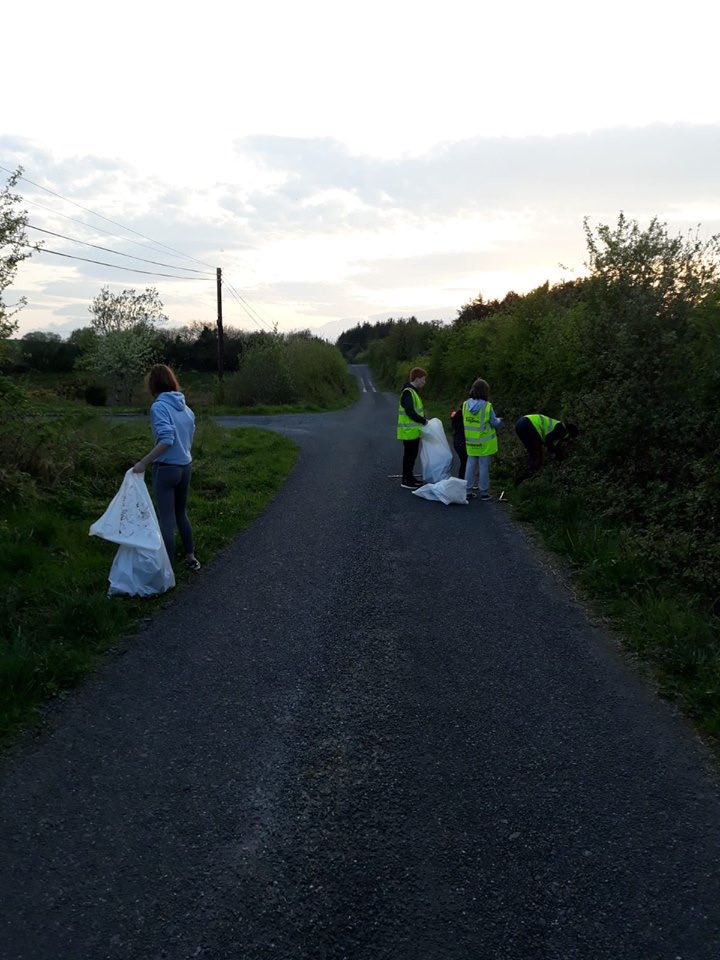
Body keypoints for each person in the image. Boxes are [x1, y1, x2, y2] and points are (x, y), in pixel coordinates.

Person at [132, 364, 201, 571]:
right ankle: (190, 557)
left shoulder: (158, 407)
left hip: (166, 469)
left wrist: (143, 463)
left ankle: (167, 569)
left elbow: (166, 439)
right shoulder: (187, 409)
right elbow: (189, 436)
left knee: (167, 519)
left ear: (153, 384)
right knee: (181, 513)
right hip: (185, 466)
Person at [462, 378, 503, 500]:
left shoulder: (465, 405)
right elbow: (494, 423)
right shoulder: (487, 406)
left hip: (470, 442)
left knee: (470, 466)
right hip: (484, 443)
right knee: (484, 467)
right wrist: (500, 421)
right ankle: (484, 493)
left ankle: (467, 491)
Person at [515, 414, 579, 480]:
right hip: (529, 424)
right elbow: (549, 439)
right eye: (569, 438)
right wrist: (551, 449)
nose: (568, 440)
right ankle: (530, 477)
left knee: (532, 452)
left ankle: (526, 476)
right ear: (569, 433)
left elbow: (556, 448)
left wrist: (559, 456)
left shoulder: (557, 426)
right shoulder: (561, 429)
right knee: (537, 454)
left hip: (521, 423)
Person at [397, 367, 428, 488]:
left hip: (413, 431)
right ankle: (406, 480)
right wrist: (423, 421)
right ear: (417, 378)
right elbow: (410, 412)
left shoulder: (412, 391)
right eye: (423, 379)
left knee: (412, 455)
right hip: (409, 431)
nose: (424, 382)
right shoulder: (408, 392)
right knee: (409, 456)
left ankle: (410, 477)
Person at [449, 404, 468, 480]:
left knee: (464, 461)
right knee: (465, 462)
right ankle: (463, 480)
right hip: (462, 442)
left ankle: (462, 479)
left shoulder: (456, 415)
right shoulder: (465, 417)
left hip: (457, 442)